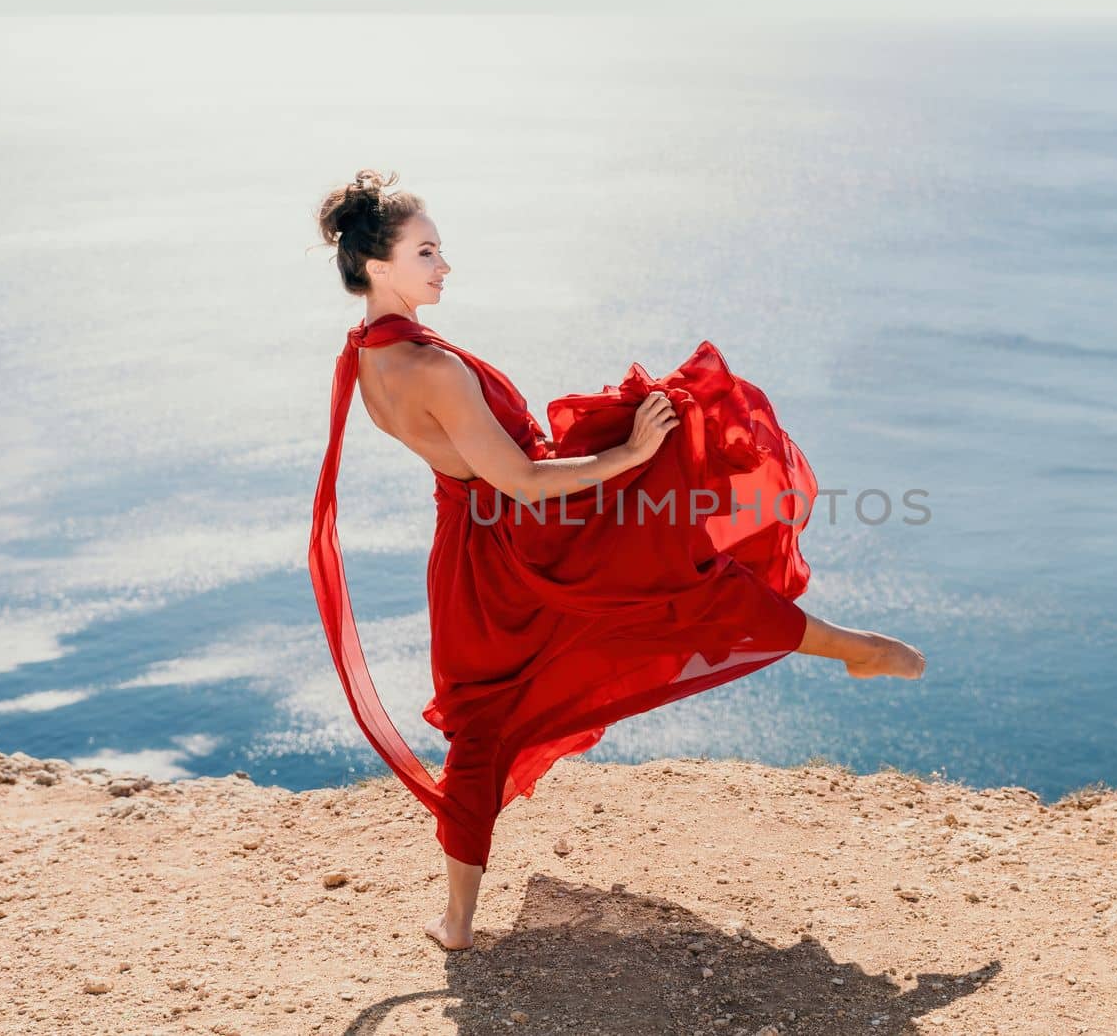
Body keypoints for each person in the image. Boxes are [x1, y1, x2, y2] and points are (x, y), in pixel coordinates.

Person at [309, 169, 925, 951]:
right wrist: (630, 451)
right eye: (426, 251)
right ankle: (857, 647)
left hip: (467, 556)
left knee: (483, 720)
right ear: (377, 265)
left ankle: (457, 921)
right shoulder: (432, 368)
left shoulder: (367, 359)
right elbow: (526, 480)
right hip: (531, 537)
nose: (444, 265)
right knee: (685, 566)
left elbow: (483, 469)